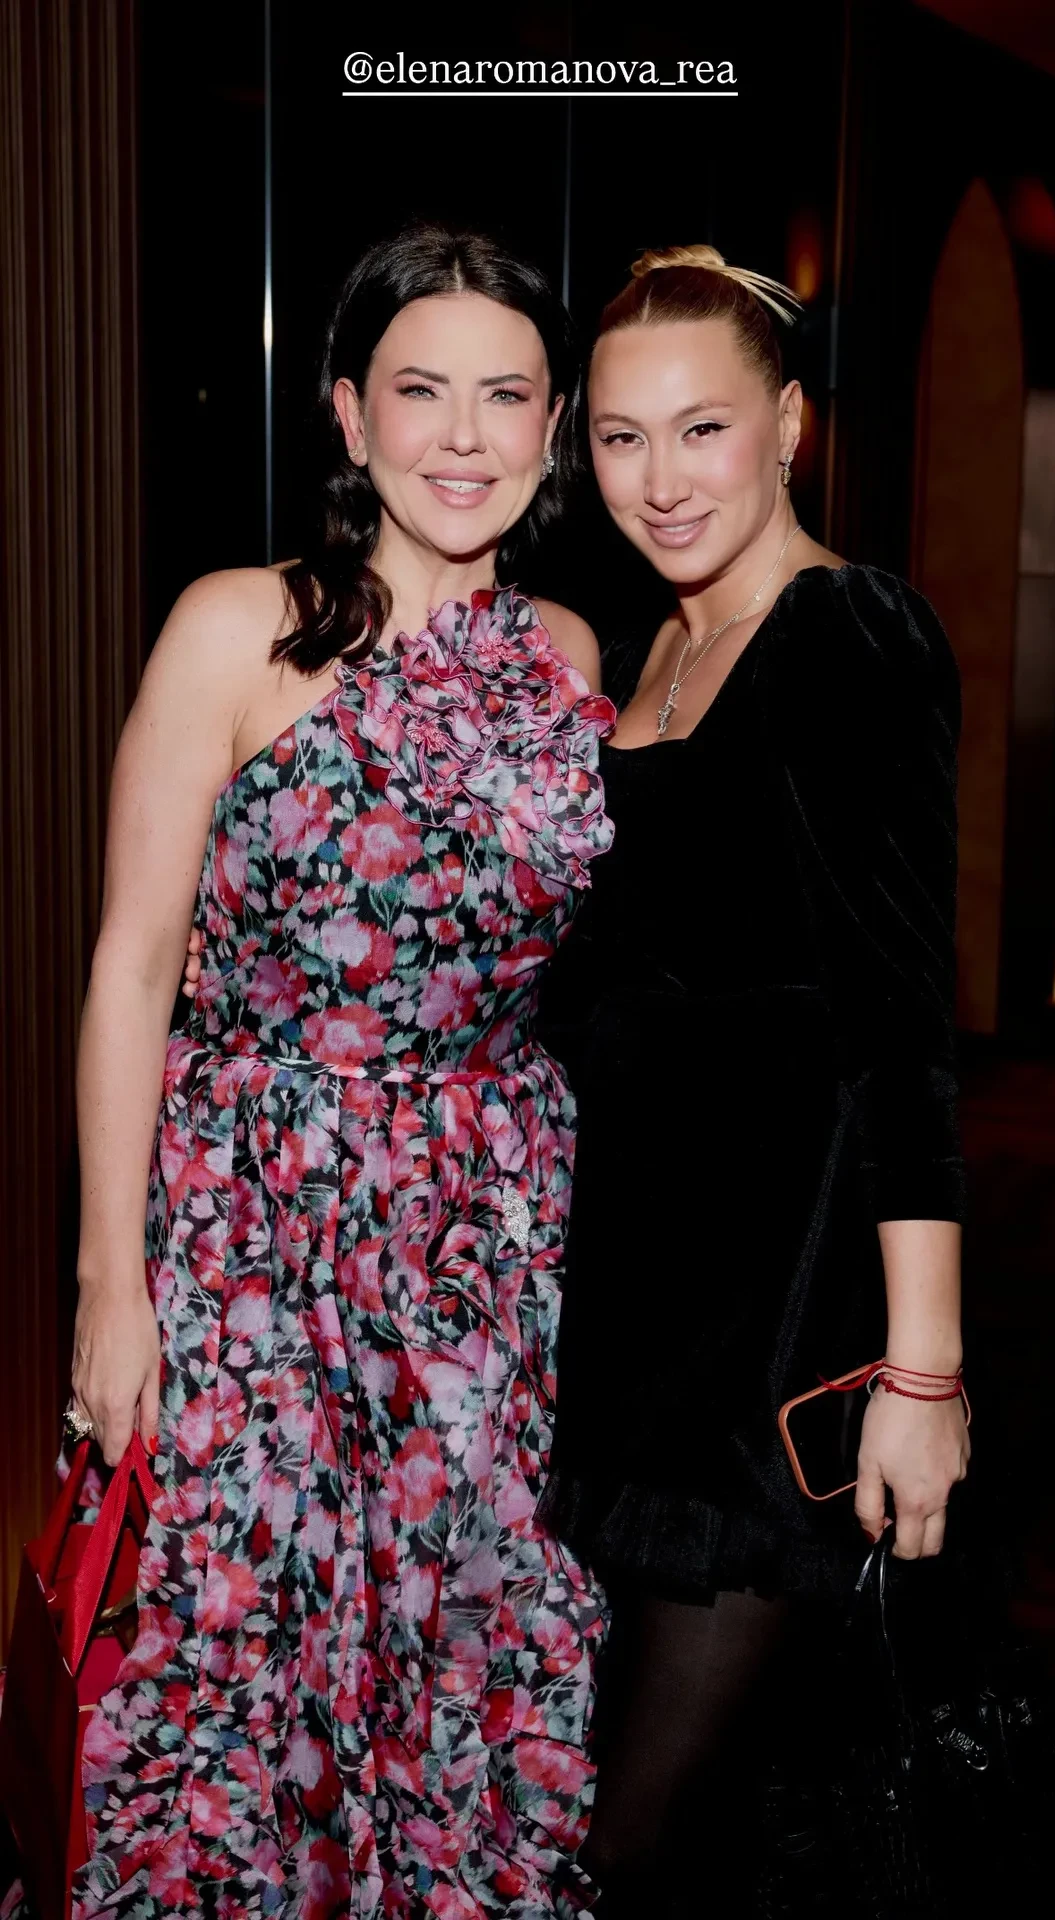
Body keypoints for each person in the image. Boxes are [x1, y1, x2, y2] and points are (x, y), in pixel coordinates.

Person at [60, 221, 617, 1920]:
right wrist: (109, 1284)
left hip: (482, 1250)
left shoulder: (571, 656)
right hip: (253, 1235)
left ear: (553, 425)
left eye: (507, 396)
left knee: (454, 1656)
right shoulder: (242, 628)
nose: (465, 436)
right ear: (350, 414)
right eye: (420, 391)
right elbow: (132, 969)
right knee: (245, 1656)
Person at [527, 245, 971, 1912]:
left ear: (787, 427)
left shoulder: (848, 631)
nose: (659, 479)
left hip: (772, 1337)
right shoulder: (654, 648)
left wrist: (921, 1374)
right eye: (621, 437)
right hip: (642, 1316)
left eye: (701, 429)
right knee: (685, 1831)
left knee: (630, 1843)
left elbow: (899, 1027)